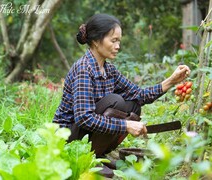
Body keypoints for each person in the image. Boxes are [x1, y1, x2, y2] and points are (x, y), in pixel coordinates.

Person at [53, 13, 190, 177]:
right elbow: (84, 117)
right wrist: (126, 125)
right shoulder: (84, 69)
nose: (118, 46)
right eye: (113, 40)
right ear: (96, 41)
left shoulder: (109, 70)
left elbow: (138, 94)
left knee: (133, 105)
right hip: (67, 137)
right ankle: (89, 158)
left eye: (119, 41)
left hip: (83, 133)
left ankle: (99, 154)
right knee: (115, 101)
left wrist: (171, 81)